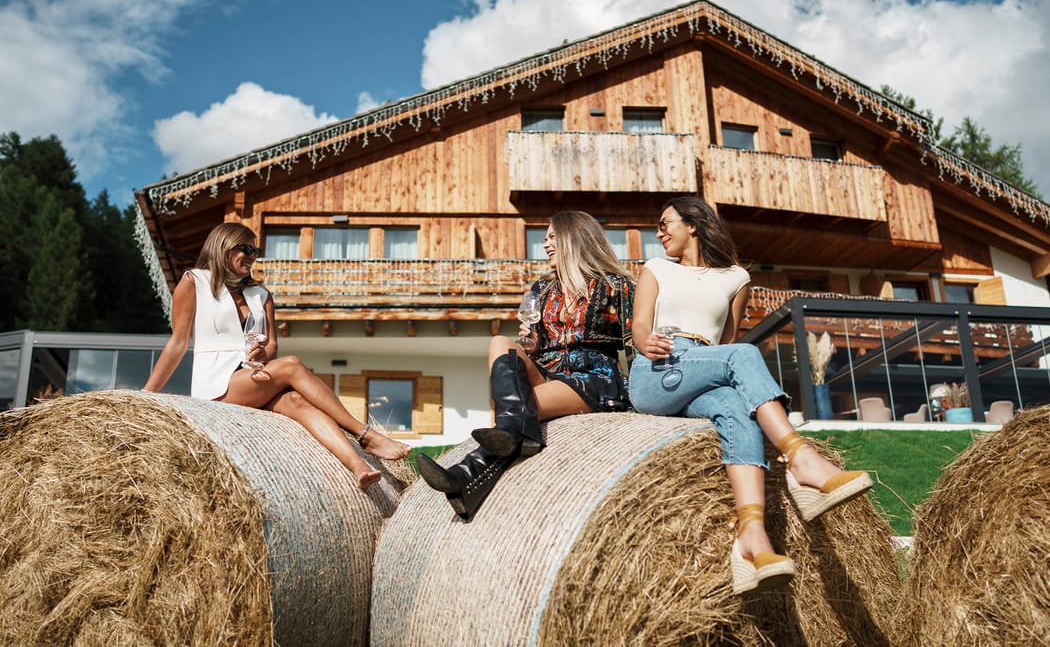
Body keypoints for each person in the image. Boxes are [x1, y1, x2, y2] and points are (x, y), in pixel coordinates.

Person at [628, 197, 872, 595]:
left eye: (664, 223)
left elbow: (726, 340)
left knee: (734, 408)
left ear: (693, 224)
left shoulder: (736, 278)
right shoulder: (656, 269)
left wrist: (718, 366)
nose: (659, 233)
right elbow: (639, 324)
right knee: (742, 356)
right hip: (658, 370)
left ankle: (752, 537)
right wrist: (646, 342)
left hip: (704, 367)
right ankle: (800, 458)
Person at [144, 222, 410, 489]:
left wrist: (262, 352)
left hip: (254, 377)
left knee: (296, 401)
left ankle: (359, 466)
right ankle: (365, 434)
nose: (252, 256)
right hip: (218, 385)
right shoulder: (195, 282)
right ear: (223, 246)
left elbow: (272, 345)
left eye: (256, 251)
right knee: (292, 365)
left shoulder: (260, 295)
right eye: (245, 248)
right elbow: (178, 343)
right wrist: (146, 397)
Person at [416, 211, 635, 520]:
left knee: (520, 410)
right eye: (544, 237)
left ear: (574, 238)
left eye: (552, 236)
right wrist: (531, 344)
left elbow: (633, 342)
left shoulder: (617, 287)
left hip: (591, 376)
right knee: (498, 342)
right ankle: (516, 436)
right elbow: (535, 344)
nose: (545, 243)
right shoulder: (541, 291)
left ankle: (465, 477)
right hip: (547, 369)